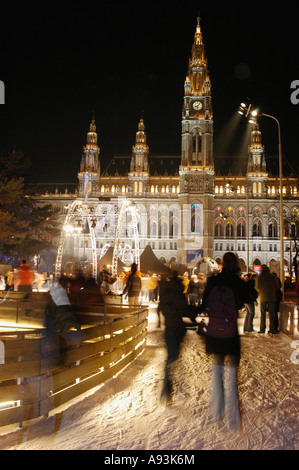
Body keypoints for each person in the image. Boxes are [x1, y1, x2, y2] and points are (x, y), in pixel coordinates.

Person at [202, 252, 248, 432]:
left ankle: (216, 412)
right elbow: (247, 299)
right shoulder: (238, 283)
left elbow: (204, 302)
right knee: (232, 378)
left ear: (221, 264)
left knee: (216, 373)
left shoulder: (213, 281)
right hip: (231, 334)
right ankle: (234, 420)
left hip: (214, 333)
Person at [158, 271, 188, 405]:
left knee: (171, 358)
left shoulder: (165, 293)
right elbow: (184, 309)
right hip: (177, 329)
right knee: (174, 358)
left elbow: (160, 308)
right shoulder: (177, 293)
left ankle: (167, 388)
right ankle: (171, 388)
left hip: (169, 328)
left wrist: (161, 320)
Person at [255, 265, 278, 335]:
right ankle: (272, 329)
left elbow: (257, 287)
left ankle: (262, 329)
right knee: (272, 314)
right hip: (272, 297)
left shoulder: (259, 277)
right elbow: (277, 286)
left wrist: (262, 291)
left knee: (263, 313)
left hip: (263, 297)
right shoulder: (272, 277)